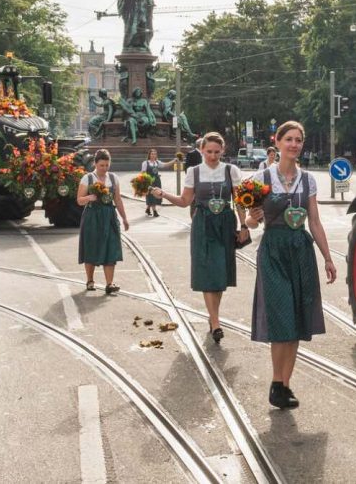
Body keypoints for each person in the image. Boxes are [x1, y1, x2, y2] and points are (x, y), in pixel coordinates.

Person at [245, 121, 337, 409]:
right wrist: (252, 218)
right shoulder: (261, 177)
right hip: (273, 251)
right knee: (281, 315)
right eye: (289, 139)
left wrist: (328, 258)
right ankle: (276, 381)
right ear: (278, 142)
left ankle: (285, 385)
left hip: (300, 250)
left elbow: (315, 221)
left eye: (298, 140)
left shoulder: (308, 180)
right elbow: (250, 222)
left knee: (296, 318)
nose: (294, 144)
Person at [151, 132, 248, 343]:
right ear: (202, 150)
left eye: (217, 152)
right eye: (209, 151)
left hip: (225, 224)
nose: (212, 156)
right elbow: (185, 201)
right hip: (203, 224)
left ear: (222, 151)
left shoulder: (231, 171)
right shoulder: (193, 172)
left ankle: (213, 317)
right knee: (207, 272)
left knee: (220, 273)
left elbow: (240, 201)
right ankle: (215, 322)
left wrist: (243, 226)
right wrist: (163, 194)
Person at [77, 149, 129, 294]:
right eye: (102, 165)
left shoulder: (113, 178)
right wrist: (89, 197)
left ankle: (109, 284)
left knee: (111, 247)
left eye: (107, 165)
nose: (105, 168)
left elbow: (117, 199)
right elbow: (79, 200)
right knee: (91, 247)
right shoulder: (87, 178)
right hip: (92, 216)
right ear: (95, 163)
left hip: (109, 216)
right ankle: (90, 280)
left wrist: (124, 218)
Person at [141, 148, 175, 217]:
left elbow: (166, 165)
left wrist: (174, 160)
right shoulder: (145, 163)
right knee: (151, 196)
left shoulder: (157, 162)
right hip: (149, 181)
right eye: (152, 154)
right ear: (149, 155)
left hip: (157, 181)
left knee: (156, 195)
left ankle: (148, 209)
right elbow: (143, 173)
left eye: (155, 154)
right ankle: (154, 211)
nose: (153, 155)